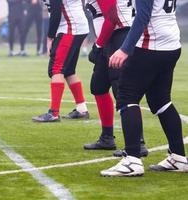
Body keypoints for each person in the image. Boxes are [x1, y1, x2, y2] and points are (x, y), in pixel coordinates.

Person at [101, 0, 187, 177]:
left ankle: (132, 159)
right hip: (170, 43)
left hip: (151, 44)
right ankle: (178, 156)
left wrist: (125, 49)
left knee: (126, 96)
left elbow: (143, 16)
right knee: (161, 101)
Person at [82, 0, 149, 157]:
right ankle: (107, 138)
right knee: (98, 86)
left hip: (120, 36)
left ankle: (138, 143)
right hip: (110, 38)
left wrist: (98, 45)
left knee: (122, 91)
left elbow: (112, 17)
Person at [32, 0, 90, 122]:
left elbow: (56, 12)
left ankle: (54, 112)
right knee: (69, 70)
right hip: (77, 25)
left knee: (56, 68)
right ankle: (81, 108)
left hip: (70, 27)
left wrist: (50, 37)